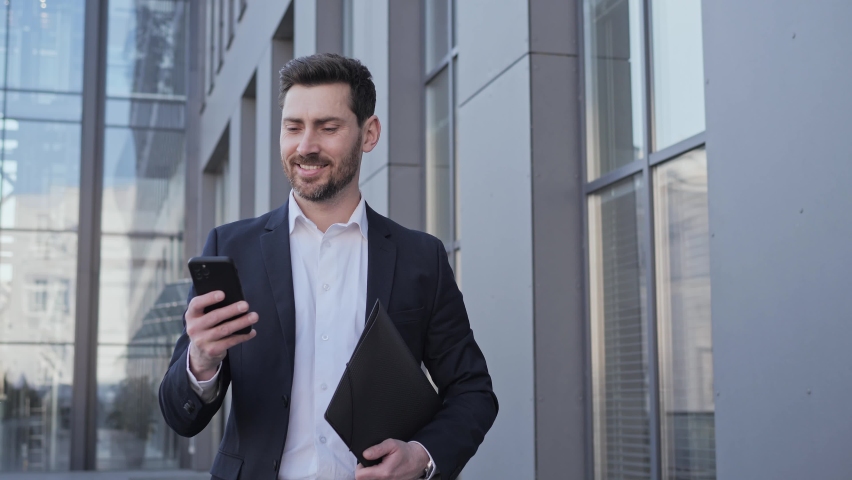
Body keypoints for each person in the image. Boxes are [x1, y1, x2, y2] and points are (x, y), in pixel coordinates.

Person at [159, 53, 498, 480]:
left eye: (328, 127)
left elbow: (472, 391)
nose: (306, 147)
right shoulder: (232, 249)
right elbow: (180, 416)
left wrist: (422, 455)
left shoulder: (420, 258)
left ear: (369, 133)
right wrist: (201, 361)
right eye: (293, 127)